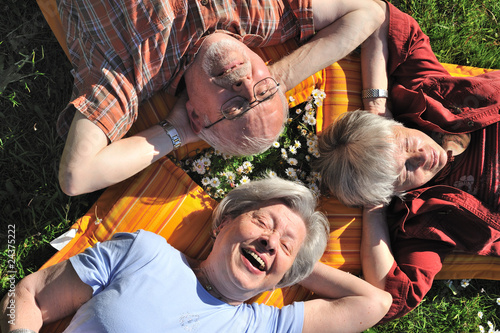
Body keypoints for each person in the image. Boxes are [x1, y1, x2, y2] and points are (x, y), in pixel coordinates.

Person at [55, 0, 385, 196]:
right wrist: (279, 79)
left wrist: (177, 132)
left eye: (236, 107)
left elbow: (77, 176)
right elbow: (369, 12)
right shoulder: (264, 16)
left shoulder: (129, 71)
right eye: (262, 91)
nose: (244, 84)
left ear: (196, 116)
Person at [0, 177, 391, 332]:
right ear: (223, 222)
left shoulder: (260, 326)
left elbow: (374, 301)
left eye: (285, 245)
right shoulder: (146, 253)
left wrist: (290, 264)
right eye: (262, 223)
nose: (271, 242)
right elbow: (30, 296)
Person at [315, 0, 500, 323]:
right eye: (408, 171)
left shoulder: (425, 98)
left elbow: (381, 17)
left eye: (407, 144)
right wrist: (374, 208)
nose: (423, 156)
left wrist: (376, 103)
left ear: (396, 126)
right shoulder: (423, 222)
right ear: (391, 193)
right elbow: (390, 297)